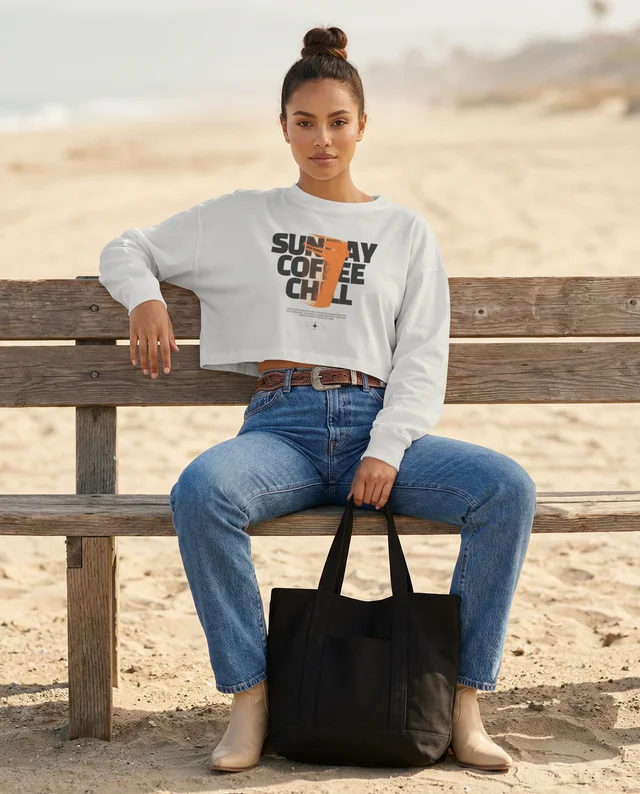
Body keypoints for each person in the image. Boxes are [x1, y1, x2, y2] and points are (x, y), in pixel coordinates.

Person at [98, 25, 536, 775]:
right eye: (305, 122)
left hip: (378, 426)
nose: (322, 138)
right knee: (203, 491)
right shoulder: (242, 215)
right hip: (283, 432)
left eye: (338, 121)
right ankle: (250, 700)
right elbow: (126, 247)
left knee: (507, 489)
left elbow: (422, 352)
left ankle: (464, 705)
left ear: (362, 126)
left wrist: (388, 447)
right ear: (283, 128)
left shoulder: (403, 230)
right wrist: (144, 300)